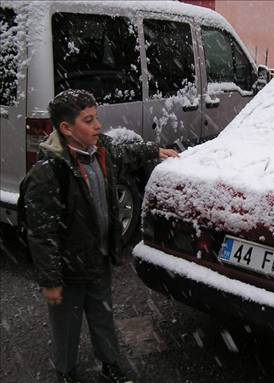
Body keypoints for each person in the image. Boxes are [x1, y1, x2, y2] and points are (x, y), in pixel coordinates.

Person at [21, 89, 178, 383]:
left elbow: (126, 152)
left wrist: (154, 151)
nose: (98, 127)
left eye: (97, 119)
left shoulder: (101, 150)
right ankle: (65, 371)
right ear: (66, 129)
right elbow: (42, 234)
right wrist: (51, 281)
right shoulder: (49, 172)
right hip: (69, 268)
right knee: (66, 323)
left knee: (102, 316)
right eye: (89, 121)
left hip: (99, 258)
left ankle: (109, 363)